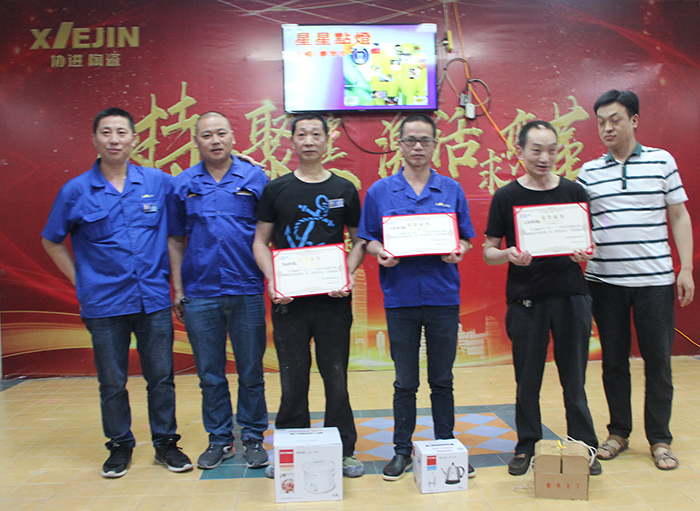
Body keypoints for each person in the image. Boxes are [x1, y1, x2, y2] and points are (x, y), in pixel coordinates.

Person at [41, 108, 192, 478]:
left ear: (134, 139)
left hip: (152, 299)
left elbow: (184, 211)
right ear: (95, 139)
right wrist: (81, 281)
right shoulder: (76, 190)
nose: (114, 139)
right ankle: (120, 445)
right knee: (112, 381)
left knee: (161, 377)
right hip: (104, 303)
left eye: (121, 132)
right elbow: (51, 241)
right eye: (106, 132)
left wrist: (177, 287)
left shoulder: (156, 181)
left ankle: (165, 444)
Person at [577, 90, 694, 470]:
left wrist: (685, 268)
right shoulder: (589, 172)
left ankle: (659, 439)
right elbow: (577, 221)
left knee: (658, 361)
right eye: (601, 122)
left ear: (634, 120)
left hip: (654, 281)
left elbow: (679, 215)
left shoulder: (662, 161)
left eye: (615, 119)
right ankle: (618, 433)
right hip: (604, 281)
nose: (607, 128)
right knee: (613, 361)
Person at [358, 114, 476, 481]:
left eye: (424, 140)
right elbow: (367, 237)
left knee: (442, 378)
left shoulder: (451, 189)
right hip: (401, 297)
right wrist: (380, 251)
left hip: (443, 296)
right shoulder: (380, 191)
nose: (417, 147)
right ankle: (401, 450)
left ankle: (446, 446)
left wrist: (459, 249)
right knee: (405, 381)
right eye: (410, 140)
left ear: (435, 145)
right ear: (399, 145)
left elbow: (466, 238)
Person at [483, 120, 601, 477]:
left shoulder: (574, 191)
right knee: (527, 379)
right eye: (536, 150)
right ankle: (527, 444)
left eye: (551, 150)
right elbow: (489, 250)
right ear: (520, 151)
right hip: (527, 300)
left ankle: (583, 445)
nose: (544, 157)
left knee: (574, 379)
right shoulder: (506, 197)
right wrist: (509, 254)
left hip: (572, 297)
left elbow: (589, 243)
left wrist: (586, 253)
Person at [252, 113, 366, 478]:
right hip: (290, 305)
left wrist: (347, 272)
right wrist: (273, 280)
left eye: (316, 134)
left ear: (327, 140)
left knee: (336, 380)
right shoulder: (277, 189)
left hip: (333, 302)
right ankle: (290, 451)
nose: (309, 140)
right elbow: (260, 241)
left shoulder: (344, 189)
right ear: (292, 141)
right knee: (292, 381)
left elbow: (359, 241)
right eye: (302, 134)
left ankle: (344, 450)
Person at [168, 112, 269, 470]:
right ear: (196, 141)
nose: (215, 140)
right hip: (200, 292)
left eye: (221, 133)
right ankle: (220, 439)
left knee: (251, 371)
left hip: (246, 289)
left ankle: (253, 436)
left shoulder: (256, 178)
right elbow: (175, 239)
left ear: (232, 137)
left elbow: (268, 233)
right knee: (210, 374)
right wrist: (178, 289)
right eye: (207, 135)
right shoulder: (183, 184)